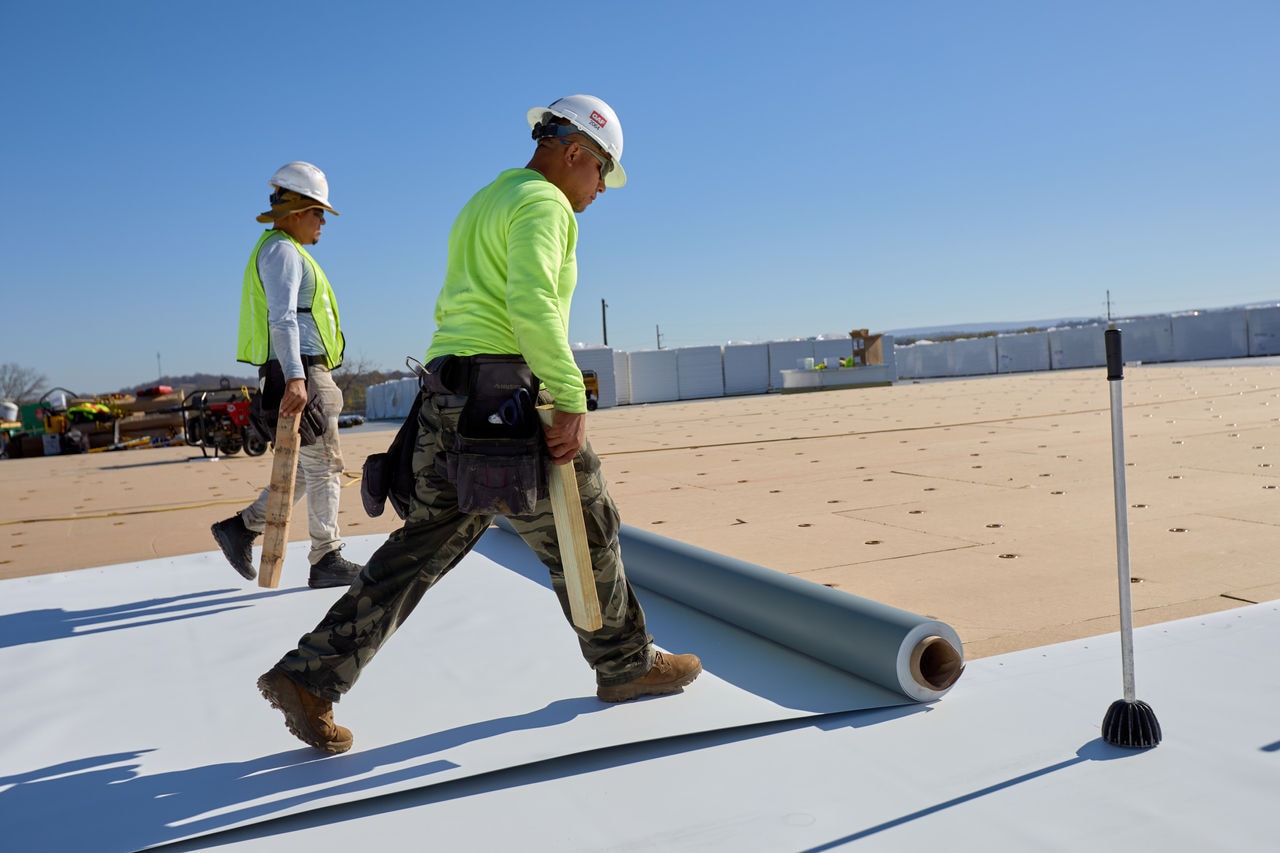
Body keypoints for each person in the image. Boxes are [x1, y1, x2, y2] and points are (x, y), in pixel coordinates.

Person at [256, 96, 701, 754]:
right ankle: (626, 664)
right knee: (588, 519)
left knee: (422, 548)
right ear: (573, 151)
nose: (601, 187)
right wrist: (571, 396)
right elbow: (532, 300)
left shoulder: (488, 198)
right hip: (508, 400)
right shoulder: (545, 204)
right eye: (601, 169)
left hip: (448, 396)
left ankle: (311, 675)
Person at [210, 162, 363, 590]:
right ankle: (326, 556)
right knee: (325, 466)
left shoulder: (289, 251)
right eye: (318, 213)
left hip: (305, 371)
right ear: (296, 210)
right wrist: (297, 378)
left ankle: (242, 528)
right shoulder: (281, 251)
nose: (322, 223)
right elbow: (282, 319)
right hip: (301, 372)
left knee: (305, 467)